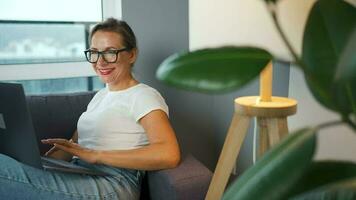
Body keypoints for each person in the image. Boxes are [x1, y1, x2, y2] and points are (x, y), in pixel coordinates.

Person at [0, 18, 180, 200]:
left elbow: (169, 153)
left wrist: (96, 156)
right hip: (78, 172)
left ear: (132, 54)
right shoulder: (100, 97)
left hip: (112, 183)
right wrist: (38, 162)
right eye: (94, 53)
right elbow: (76, 147)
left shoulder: (143, 95)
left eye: (110, 53)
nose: (100, 62)